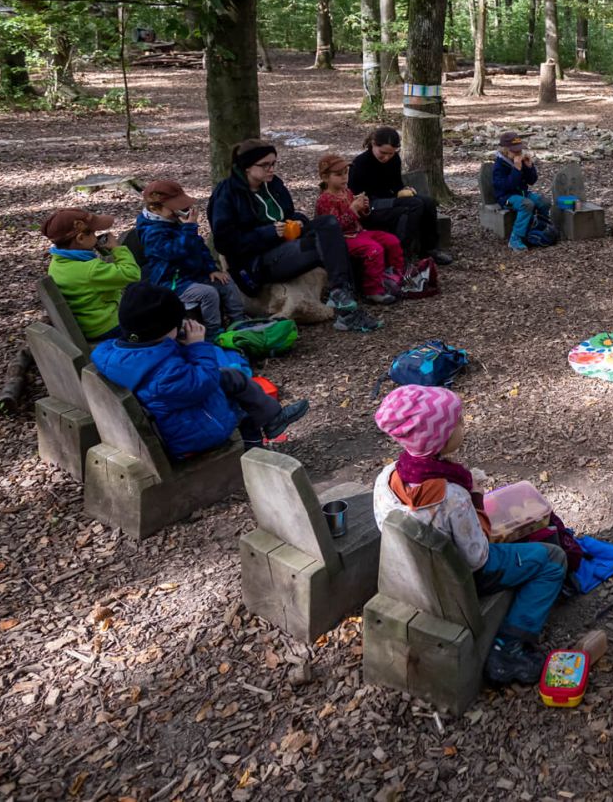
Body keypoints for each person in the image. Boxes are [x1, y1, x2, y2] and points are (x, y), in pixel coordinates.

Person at [370, 385, 567, 686]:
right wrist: (476, 498)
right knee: (552, 559)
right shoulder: (452, 496)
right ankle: (508, 647)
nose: (463, 425)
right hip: (460, 581)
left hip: (413, 573)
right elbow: (478, 558)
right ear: (438, 438)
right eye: (457, 422)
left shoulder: (387, 477)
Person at [91, 283, 310, 454]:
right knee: (239, 405)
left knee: (232, 377)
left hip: (175, 414)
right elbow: (202, 383)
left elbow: (178, 377)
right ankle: (253, 452)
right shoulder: (163, 371)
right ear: (164, 330)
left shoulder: (121, 352)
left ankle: (273, 418)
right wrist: (198, 346)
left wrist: (176, 343)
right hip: (192, 432)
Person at [208, 138, 382, 333]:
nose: (271, 169)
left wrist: (299, 221)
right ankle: (346, 305)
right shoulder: (227, 193)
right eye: (265, 165)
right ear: (247, 166)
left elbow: (289, 214)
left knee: (328, 224)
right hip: (257, 263)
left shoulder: (273, 185)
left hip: (287, 246)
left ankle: (342, 295)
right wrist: (269, 232)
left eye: (273, 163)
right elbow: (224, 242)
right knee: (325, 244)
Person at [134, 179, 245, 331]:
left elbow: (198, 246)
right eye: (174, 208)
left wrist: (211, 268)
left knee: (226, 282)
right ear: (156, 208)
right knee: (208, 293)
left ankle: (238, 322)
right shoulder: (152, 232)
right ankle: (213, 332)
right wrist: (189, 228)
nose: (179, 211)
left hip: (193, 275)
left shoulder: (176, 222)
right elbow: (174, 253)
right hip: (172, 282)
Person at [346, 126, 453, 266]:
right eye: (383, 153)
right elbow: (353, 193)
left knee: (427, 202)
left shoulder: (394, 159)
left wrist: (403, 190)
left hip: (389, 199)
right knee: (413, 206)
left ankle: (430, 248)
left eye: (391, 153)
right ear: (373, 144)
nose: (386, 157)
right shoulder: (360, 163)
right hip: (370, 205)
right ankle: (402, 252)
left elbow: (396, 184)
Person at [316, 154, 405, 305]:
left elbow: (360, 217)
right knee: (374, 250)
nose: (344, 178)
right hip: (344, 238)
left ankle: (397, 277)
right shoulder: (325, 199)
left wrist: (364, 207)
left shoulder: (347, 192)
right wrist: (352, 210)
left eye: (346, 173)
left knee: (392, 241)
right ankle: (373, 290)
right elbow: (333, 227)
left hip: (360, 232)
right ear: (325, 177)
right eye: (338, 175)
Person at [43, 209, 141, 342]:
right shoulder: (91, 270)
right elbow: (133, 275)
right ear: (81, 238)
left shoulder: (57, 263)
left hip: (91, 325)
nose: (96, 237)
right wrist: (118, 249)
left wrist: (104, 252)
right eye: (94, 233)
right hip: (109, 328)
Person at [491, 131, 549, 252]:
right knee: (527, 204)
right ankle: (515, 239)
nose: (519, 153)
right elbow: (505, 186)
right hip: (506, 197)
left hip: (522, 193)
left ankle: (540, 228)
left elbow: (531, 181)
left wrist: (529, 167)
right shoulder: (499, 165)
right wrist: (516, 170)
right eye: (515, 151)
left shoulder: (520, 161)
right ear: (505, 150)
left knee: (543, 202)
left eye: (520, 150)